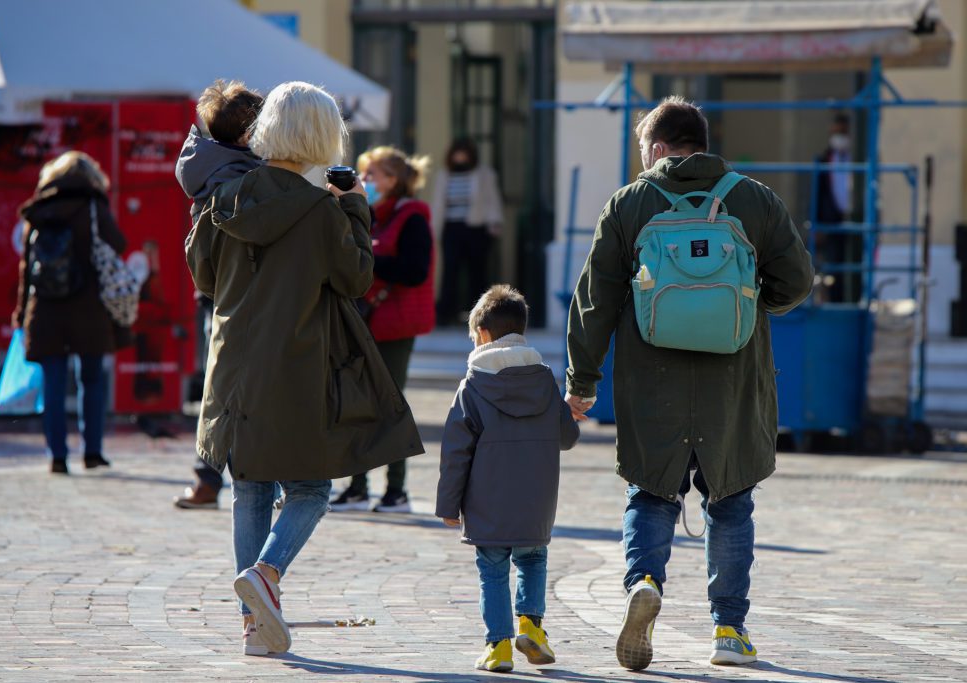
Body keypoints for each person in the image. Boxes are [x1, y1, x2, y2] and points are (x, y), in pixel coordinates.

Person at [564, 96, 814, 670]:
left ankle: (643, 583)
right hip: (734, 379)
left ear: (655, 149)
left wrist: (582, 380)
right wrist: (751, 310)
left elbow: (594, 300)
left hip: (652, 380)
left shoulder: (629, 204)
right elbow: (797, 280)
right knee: (731, 502)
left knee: (650, 493)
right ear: (701, 144)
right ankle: (729, 630)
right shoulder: (753, 199)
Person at [186, 81, 422, 657]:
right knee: (311, 487)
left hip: (234, 361)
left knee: (250, 487)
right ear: (322, 136)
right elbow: (357, 279)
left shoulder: (226, 195)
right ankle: (266, 574)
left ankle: (255, 627)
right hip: (296, 364)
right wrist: (356, 204)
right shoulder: (321, 207)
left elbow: (205, 279)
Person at [436, 285, 580, 673]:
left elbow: (455, 452)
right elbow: (567, 437)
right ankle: (531, 625)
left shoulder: (473, 386)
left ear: (482, 334)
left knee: (493, 570)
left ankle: (498, 646)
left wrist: (448, 506)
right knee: (533, 559)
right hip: (536, 499)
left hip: (488, 501)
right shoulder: (545, 381)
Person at [173, 79, 263, 509]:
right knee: (230, 387)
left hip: (218, 292)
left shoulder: (208, 163)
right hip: (242, 294)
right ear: (247, 134)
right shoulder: (241, 175)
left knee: (221, 384)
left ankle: (209, 478)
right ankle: (215, 477)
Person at [329, 146, 435, 513]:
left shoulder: (412, 216)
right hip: (366, 320)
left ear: (394, 180)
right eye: (364, 174)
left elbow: (415, 270)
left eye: (372, 175)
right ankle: (358, 487)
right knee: (358, 404)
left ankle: (396, 490)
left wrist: (369, 259)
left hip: (395, 324)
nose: (365, 181)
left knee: (390, 405)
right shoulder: (369, 213)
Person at [12, 151, 127, 475]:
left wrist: (21, 314)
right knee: (91, 380)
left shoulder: (37, 210)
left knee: (53, 383)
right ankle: (92, 452)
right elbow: (117, 243)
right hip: (87, 309)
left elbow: (26, 269)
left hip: (45, 310)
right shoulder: (93, 207)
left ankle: (57, 456)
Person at [432, 138, 504, 325]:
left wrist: (494, 222)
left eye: (464, 153)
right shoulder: (444, 175)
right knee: (450, 271)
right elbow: (438, 204)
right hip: (451, 228)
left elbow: (491, 199)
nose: (460, 156)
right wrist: (434, 228)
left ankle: (481, 313)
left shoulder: (483, 174)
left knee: (477, 272)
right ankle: (447, 313)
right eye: (457, 152)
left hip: (476, 228)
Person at [814, 112, 860, 302]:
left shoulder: (857, 157)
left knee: (855, 264)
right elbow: (818, 192)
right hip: (832, 221)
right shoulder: (824, 159)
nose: (839, 136)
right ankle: (835, 301)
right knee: (834, 266)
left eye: (843, 132)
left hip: (856, 220)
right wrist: (817, 223)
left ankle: (855, 298)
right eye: (836, 132)